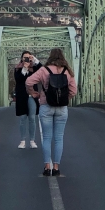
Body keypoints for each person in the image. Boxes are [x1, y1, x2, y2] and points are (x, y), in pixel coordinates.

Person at [26, 48, 77, 176]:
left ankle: (46, 167)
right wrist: (65, 98)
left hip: (46, 106)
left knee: (47, 137)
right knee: (59, 138)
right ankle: (56, 167)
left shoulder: (44, 70)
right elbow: (74, 91)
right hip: (62, 109)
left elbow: (28, 81)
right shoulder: (68, 72)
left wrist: (32, 92)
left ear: (50, 57)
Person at [13, 51, 41, 149]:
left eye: (28, 57)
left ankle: (32, 140)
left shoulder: (35, 68)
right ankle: (22, 141)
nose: (26, 59)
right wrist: (24, 68)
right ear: (21, 58)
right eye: (25, 57)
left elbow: (43, 70)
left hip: (32, 96)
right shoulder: (18, 68)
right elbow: (18, 80)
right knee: (23, 118)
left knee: (32, 118)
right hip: (22, 96)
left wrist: (35, 60)